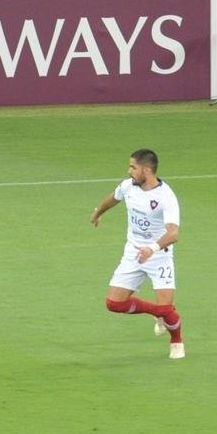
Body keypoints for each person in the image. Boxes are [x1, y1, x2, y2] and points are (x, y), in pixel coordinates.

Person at [90, 149, 186, 359]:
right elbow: (114, 198)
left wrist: (151, 249)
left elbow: (173, 234)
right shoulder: (128, 186)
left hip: (159, 255)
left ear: (147, 169)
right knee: (114, 304)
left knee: (168, 310)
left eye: (133, 167)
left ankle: (177, 341)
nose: (129, 171)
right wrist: (98, 211)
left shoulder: (165, 196)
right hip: (132, 253)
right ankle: (159, 313)